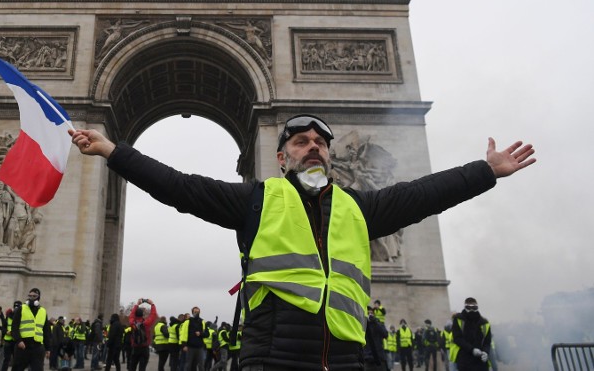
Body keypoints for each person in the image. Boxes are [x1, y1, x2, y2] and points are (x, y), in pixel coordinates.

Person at [69, 115, 536, 371]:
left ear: (331, 155)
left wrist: (485, 171)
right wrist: (111, 150)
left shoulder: (359, 208)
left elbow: (420, 196)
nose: (312, 146)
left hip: (346, 360)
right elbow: (181, 187)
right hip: (274, 360)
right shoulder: (256, 200)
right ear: (280, 157)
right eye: (299, 142)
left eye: (320, 142)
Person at [11, 288, 49, 371]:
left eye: (34, 296)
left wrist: (48, 348)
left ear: (38, 298)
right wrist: (18, 340)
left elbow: (46, 331)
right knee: (17, 368)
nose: (31, 298)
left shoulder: (43, 311)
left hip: (37, 347)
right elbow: (14, 327)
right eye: (30, 296)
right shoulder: (21, 308)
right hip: (23, 345)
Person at [451, 298, 491, 371]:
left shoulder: (484, 322)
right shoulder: (458, 319)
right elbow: (457, 338)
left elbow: (487, 342)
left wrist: (486, 352)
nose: (472, 310)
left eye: (474, 307)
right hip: (464, 359)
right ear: (465, 307)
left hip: (480, 360)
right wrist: (472, 349)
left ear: (477, 307)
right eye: (469, 307)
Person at [127, 299, 158, 371]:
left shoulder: (132, 323)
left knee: (132, 367)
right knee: (142, 368)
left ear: (135, 315)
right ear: (142, 315)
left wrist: (137, 304)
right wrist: (152, 304)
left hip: (135, 347)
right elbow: (153, 315)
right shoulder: (146, 323)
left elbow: (131, 315)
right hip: (144, 348)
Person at [179, 307, 207, 371]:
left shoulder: (202, 322)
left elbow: (206, 334)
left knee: (201, 365)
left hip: (200, 347)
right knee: (188, 365)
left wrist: (200, 334)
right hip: (190, 347)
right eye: (195, 312)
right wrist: (184, 345)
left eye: (198, 312)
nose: (196, 313)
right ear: (192, 312)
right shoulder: (188, 322)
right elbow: (183, 334)